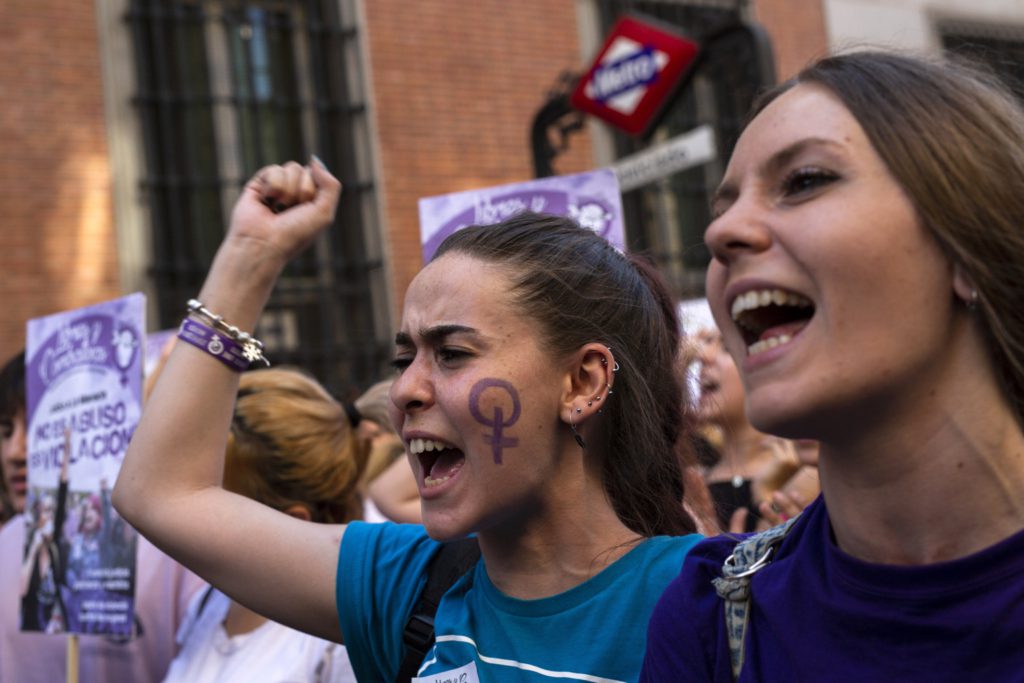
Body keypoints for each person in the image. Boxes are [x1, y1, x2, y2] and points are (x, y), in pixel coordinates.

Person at [112, 157, 704, 682]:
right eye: (404, 358)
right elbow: (160, 494)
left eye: (452, 353)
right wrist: (250, 256)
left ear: (582, 383)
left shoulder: (714, 602)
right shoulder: (406, 588)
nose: (404, 391)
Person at [640, 49, 1024, 682]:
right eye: (721, 210)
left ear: (968, 248)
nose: (722, 234)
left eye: (805, 180)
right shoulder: (712, 617)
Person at [0, 350, 204, 682]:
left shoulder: (173, 554)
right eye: (6, 430)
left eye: (40, 427)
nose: (14, 452)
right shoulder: (6, 543)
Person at [162, 366, 360, 683]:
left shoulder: (338, 646)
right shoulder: (210, 602)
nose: (189, 520)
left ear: (292, 523)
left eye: (213, 505)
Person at [692, 326, 802, 532]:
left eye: (726, 348)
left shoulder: (798, 472)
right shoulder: (694, 485)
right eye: (704, 346)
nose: (703, 357)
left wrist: (770, 495)